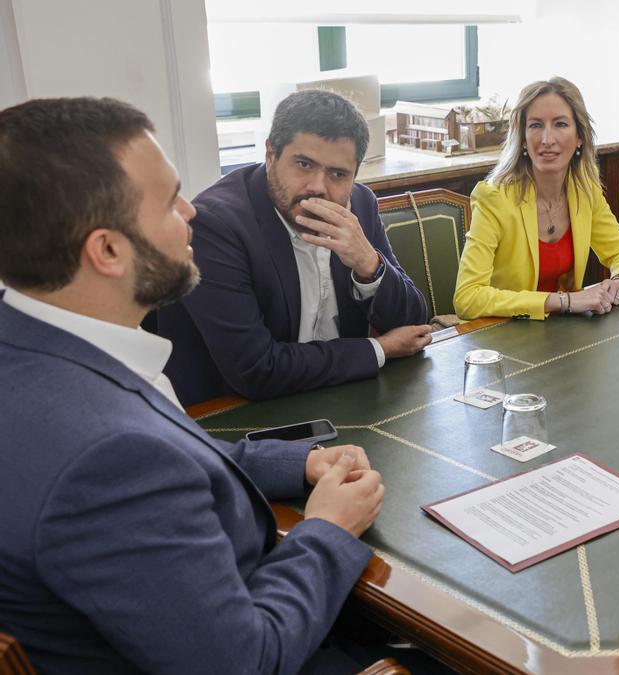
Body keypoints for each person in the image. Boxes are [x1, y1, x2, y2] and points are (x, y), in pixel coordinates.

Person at [0, 97, 384, 673]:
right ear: (107, 250)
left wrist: (298, 464)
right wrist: (328, 529)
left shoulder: (44, 348)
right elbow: (247, 660)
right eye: (168, 201)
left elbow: (172, 455)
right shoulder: (107, 460)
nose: (192, 212)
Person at [158, 89, 431, 407]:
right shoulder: (215, 225)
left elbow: (414, 324)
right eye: (304, 164)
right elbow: (256, 370)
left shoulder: (360, 205)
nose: (318, 186)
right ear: (270, 153)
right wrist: (379, 349)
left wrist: (368, 263)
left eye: (338, 174)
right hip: (234, 416)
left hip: (337, 394)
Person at [453, 77, 619, 320]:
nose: (547, 139)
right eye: (535, 125)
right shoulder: (494, 198)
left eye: (561, 124)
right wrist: (564, 301)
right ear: (522, 139)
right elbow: (467, 298)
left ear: (580, 137)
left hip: (562, 333)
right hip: (501, 336)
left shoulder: (584, 190)